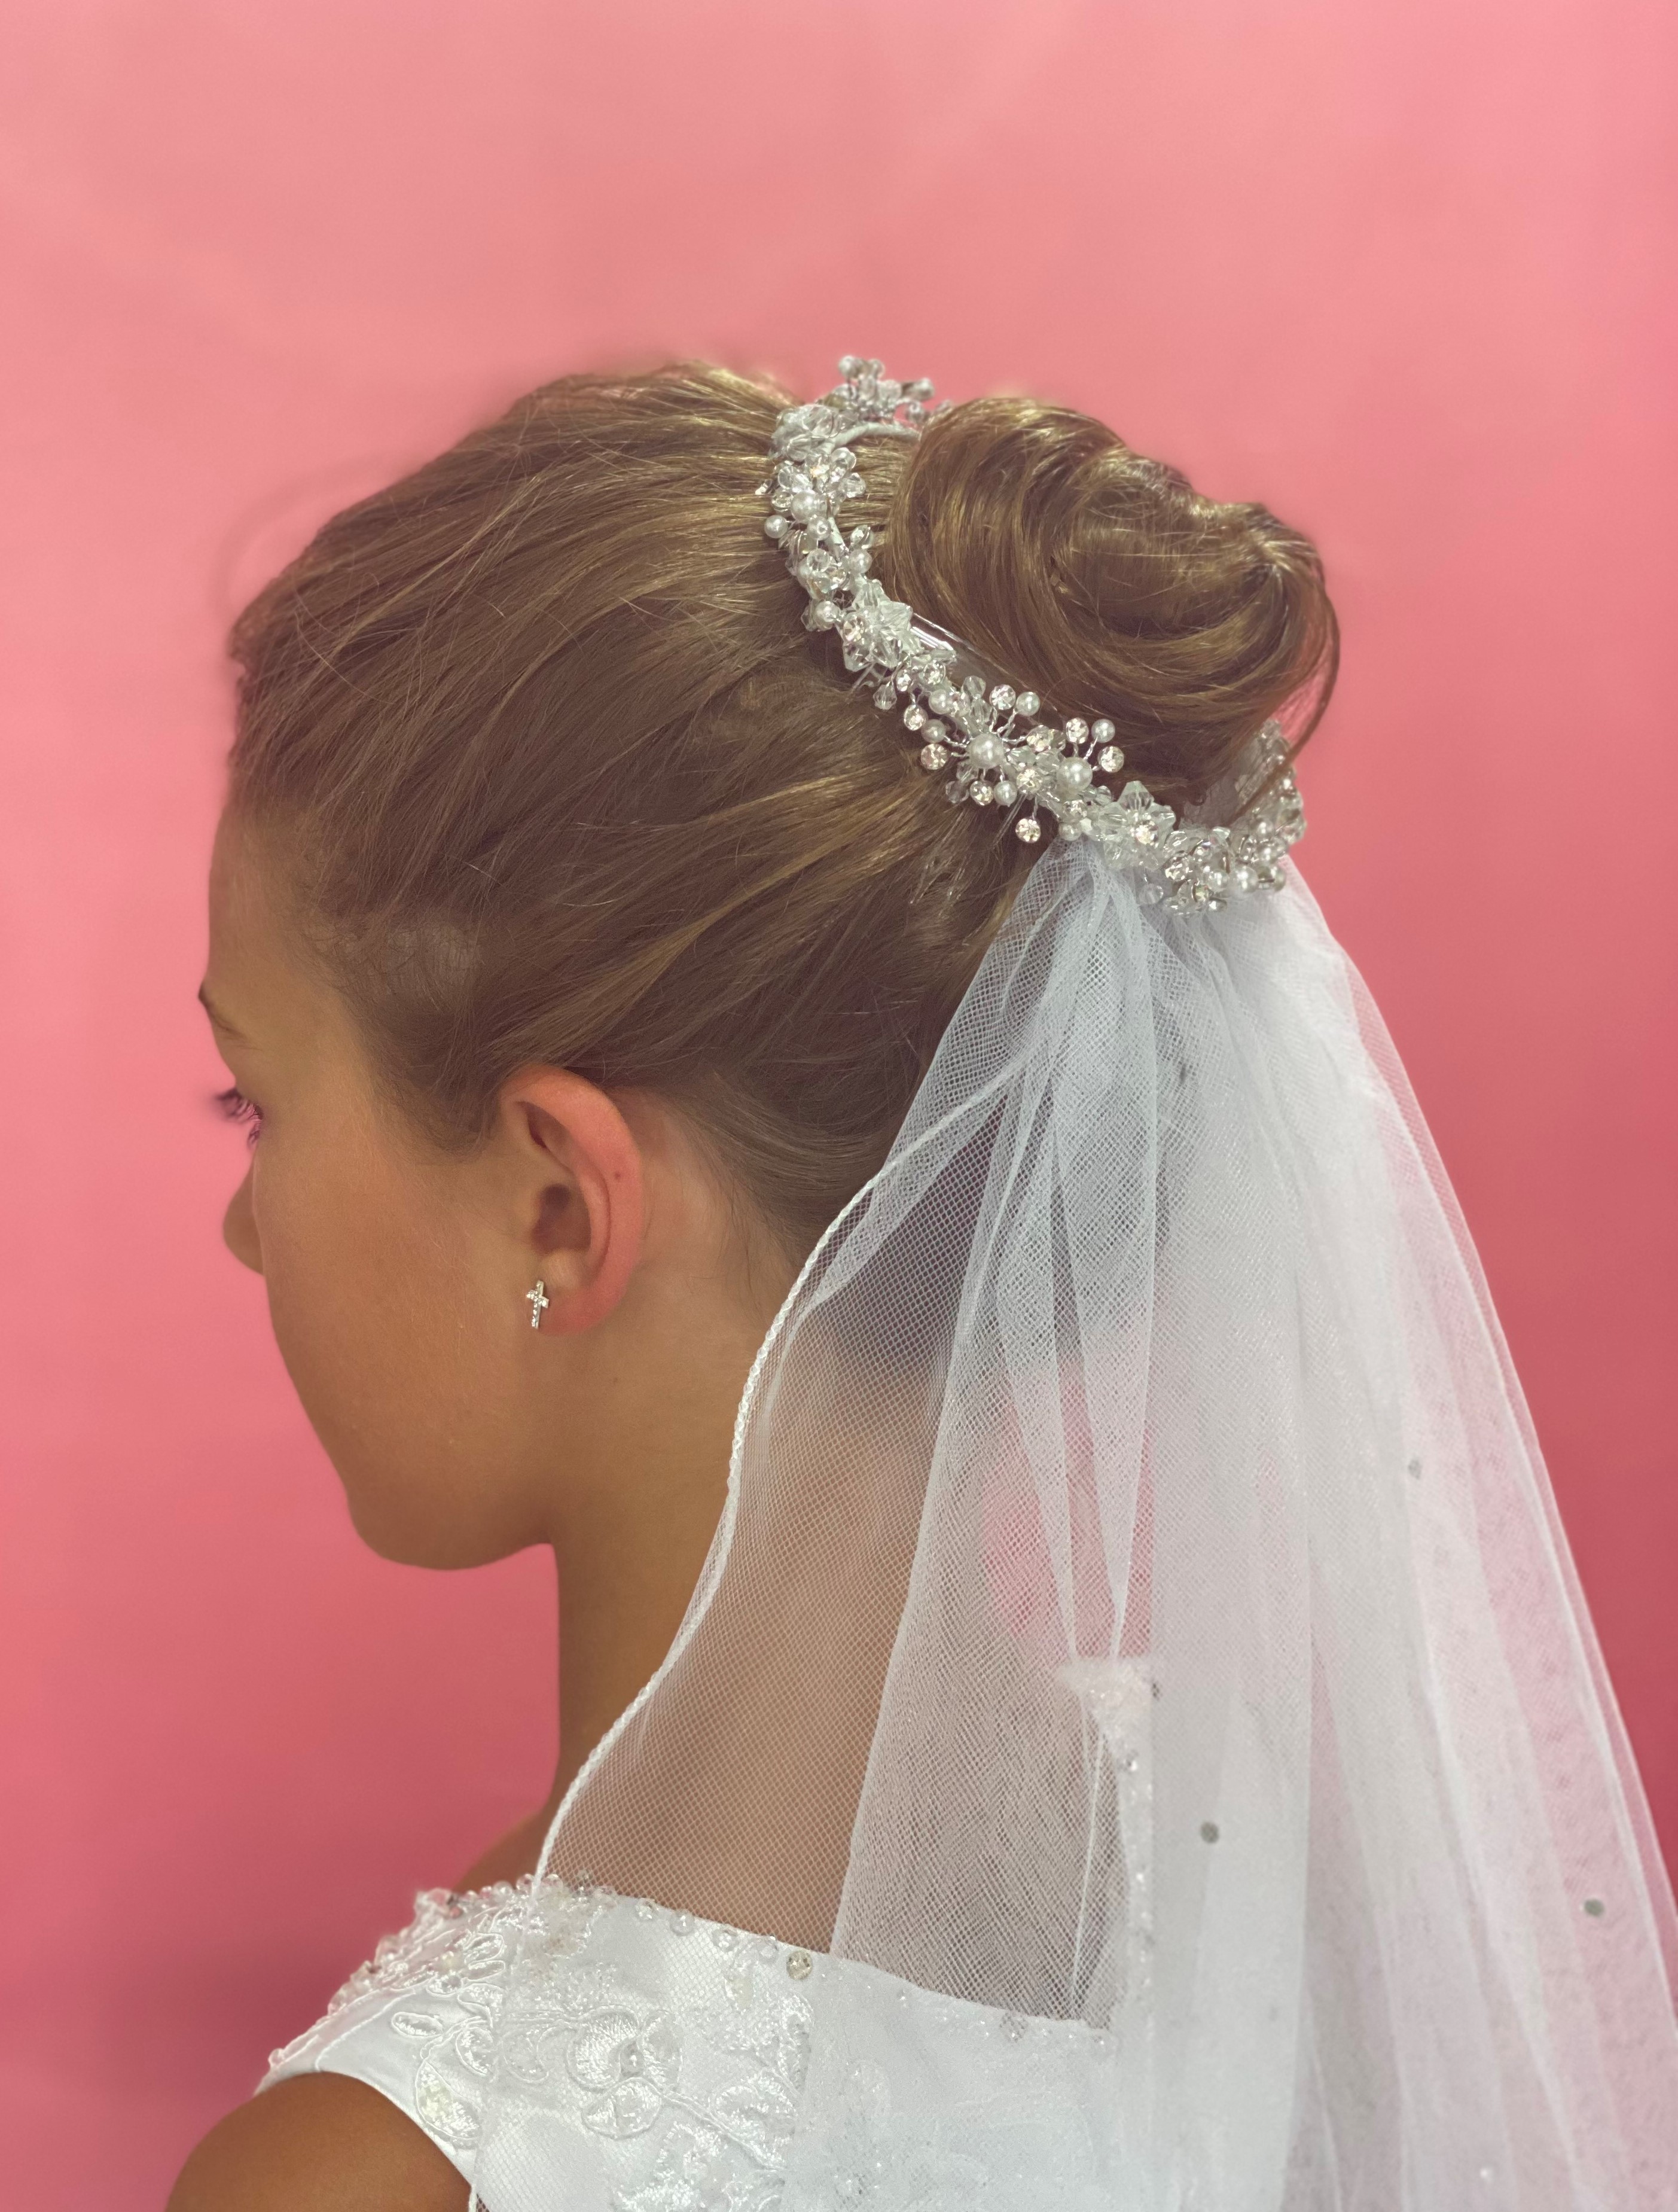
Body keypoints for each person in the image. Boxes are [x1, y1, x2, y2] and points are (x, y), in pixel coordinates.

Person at [169, 359, 1678, 2211]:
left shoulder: (399, 2177)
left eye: (257, 1091)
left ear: (561, 1205)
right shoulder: (1299, 1910)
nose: (247, 1222)